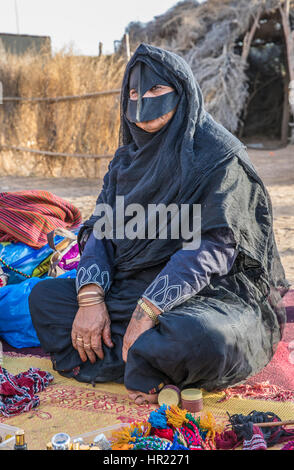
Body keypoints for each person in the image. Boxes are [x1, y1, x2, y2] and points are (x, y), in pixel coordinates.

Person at [29, 43, 290, 406]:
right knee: (44, 299)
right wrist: (90, 300)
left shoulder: (217, 158)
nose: (142, 101)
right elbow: (102, 230)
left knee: (206, 338)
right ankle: (147, 361)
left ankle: (140, 353)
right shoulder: (126, 161)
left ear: (181, 93)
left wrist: (148, 310)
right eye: (134, 92)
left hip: (205, 294)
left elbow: (211, 248)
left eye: (155, 89)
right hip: (130, 284)